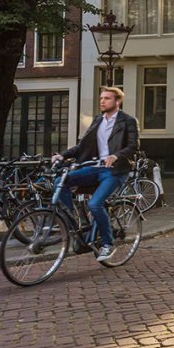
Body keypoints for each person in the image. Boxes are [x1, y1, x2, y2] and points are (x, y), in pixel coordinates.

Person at [51, 87, 139, 262]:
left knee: (95, 204)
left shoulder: (127, 121)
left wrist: (116, 156)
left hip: (115, 171)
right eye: (101, 98)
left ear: (117, 101)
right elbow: (82, 146)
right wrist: (63, 155)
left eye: (107, 98)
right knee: (60, 182)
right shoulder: (98, 120)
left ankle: (107, 243)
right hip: (95, 167)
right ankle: (74, 225)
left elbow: (133, 146)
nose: (102, 101)